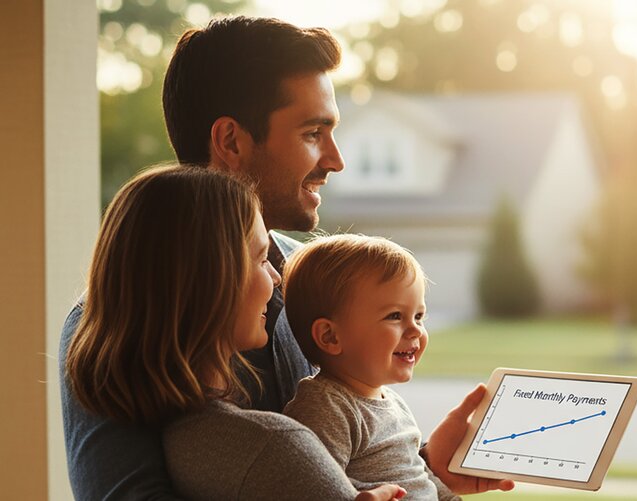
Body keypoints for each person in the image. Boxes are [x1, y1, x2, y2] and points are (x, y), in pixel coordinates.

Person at [59, 15, 514, 499]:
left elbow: (329, 462)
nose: (337, 159)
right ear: (232, 141)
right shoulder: (117, 316)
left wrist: (422, 473)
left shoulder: (310, 273)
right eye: (313, 133)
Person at [65, 166, 405, 500]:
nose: (276, 277)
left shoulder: (185, 436)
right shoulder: (273, 445)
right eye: (260, 259)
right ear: (209, 281)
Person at [282, 235, 458, 500]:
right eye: (395, 316)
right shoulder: (325, 407)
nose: (415, 330)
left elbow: (418, 474)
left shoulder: (392, 402)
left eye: (419, 316)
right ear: (331, 337)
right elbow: (312, 487)